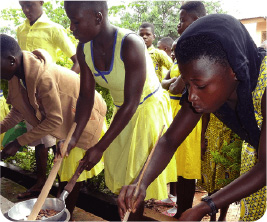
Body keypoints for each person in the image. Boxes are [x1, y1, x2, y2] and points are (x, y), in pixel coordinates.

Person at [117, 14, 266, 222]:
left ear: (234, 70)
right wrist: (141, 183)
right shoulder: (210, 85)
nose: (192, 96)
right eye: (187, 84)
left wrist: (204, 207)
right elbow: (169, 140)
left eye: (201, 86)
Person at [63, 1, 177, 220]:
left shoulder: (130, 43)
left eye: (75, 21)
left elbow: (132, 102)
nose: (71, 28)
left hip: (146, 111)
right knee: (123, 179)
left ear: (98, 17)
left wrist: (100, 147)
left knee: (135, 185)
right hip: (123, 113)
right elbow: (86, 96)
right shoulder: (84, 48)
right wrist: (73, 137)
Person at [0, 34, 107, 220]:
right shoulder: (16, 75)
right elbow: (18, 111)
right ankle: (62, 212)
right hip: (67, 121)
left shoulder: (43, 77)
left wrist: (18, 142)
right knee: (64, 170)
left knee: (70, 174)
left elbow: (54, 121)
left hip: (85, 118)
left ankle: (65, 215)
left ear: (11, 61)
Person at [16, 1, 80, 199]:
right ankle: (40, 182)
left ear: (41, 2)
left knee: (58, 140)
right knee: (38, 141)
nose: (26, 10)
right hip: (29, 95)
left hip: (49, 95)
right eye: (22, 5)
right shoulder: (20, 30)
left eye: (29, 4)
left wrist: (60, 89)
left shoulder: (54, 29)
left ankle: (60, 184)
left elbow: (77, 60)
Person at [161, 37, 202, 218]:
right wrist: (173, 81)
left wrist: (174, 82)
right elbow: (162, 83)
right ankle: (179, 207)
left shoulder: (191, 65)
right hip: (174, 117)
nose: (172, 53)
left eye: (176, 50)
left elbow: (174, 89)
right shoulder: (177, 65)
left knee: (187, 170)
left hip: (188, 119)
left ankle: (185, 210)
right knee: (178, 167)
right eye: (172, 50)